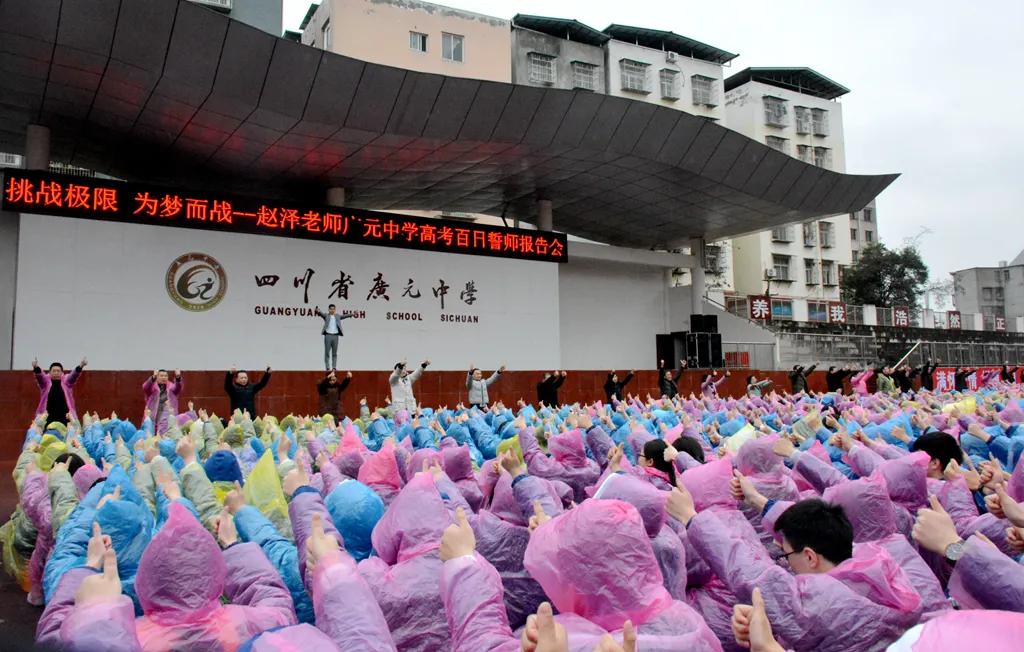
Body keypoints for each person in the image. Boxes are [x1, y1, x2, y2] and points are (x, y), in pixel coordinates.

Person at [32, 357, 87, 425]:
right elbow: (40, 377)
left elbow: (73, 376)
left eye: (58, 371)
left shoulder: (66, 381)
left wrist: (81, 366)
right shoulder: (45, 382)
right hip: (47, 416)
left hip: (65, 416)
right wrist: (36, 367)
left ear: (62, 372)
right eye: (54, 371)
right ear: (50, 372)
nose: (56, 373)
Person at [314, 304, 354, 372]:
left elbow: (344, 316)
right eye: (331, 309)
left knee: (334, 353)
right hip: (328, 335)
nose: (332, 310)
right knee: (327, 352)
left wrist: (352, 314)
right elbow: (321, 313)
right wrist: (318, 311)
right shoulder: (326, 315)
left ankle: (334, 367)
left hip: (335, 336)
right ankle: (327, 367)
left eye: (333, 309)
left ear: (335, 309)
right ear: (328, 309)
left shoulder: (337, 316)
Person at [143, 369, 183, 435]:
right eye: (161, 376)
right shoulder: (152, 387)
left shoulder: (171, 387)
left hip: (166, 416)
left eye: (165, 376)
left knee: (166, 435)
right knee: (150, 436)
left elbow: (178, 387)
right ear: (157, 377)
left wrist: (178, 377)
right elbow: (146, 387)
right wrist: (153, 378)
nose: (164, 377)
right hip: (153, 415)